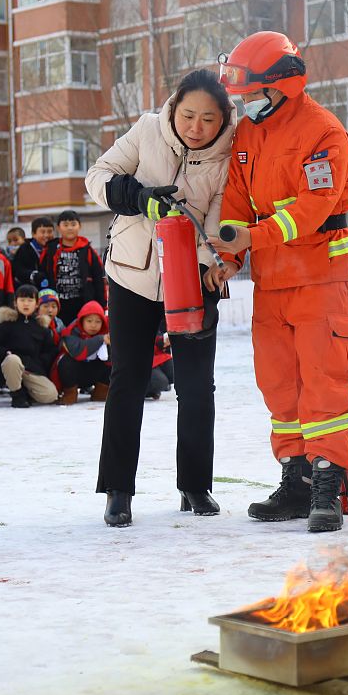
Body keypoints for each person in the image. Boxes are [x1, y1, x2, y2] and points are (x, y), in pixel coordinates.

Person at [209, 31, 348, 533]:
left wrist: (251, 237)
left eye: (251, 93)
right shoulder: (248, 136)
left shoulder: (324, 132)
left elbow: (312, 207)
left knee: (325, 382)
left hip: (323, 276)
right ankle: (295, 480)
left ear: (283, 84)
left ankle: (327, 486)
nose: (244, 104)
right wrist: (230, 257)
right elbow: (236, 199)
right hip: (274, 283)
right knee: (280, 386)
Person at [84, 67, 235, 527]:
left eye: (208, 119)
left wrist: (213, 263)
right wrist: (138, 197)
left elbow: (221, 214)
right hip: (132, 274)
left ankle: (195, 485)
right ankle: (118, 490)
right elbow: (98, 177)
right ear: (175, 108)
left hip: (191, 280)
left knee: (195, 386)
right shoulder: (148, 130)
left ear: (223, 119)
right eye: (189, 115)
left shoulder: (228, 156)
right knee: (127, 379)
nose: (196, 128)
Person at [0, 284, 59, 408]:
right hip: (11, 368)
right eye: (22, 300)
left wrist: (39, 363)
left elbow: (50, 351)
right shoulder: (7, 325)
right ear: (15, 303)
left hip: (31, 370)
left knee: (50, 395)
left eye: (30, 301)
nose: (26, 304)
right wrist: (5, 354)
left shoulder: (41, 328)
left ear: (36, 304)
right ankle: (17, 394)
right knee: (12, 360)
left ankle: (26, 392)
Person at [40, 210, 106, 327]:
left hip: (82, 302)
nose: (69, 228)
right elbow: (43, 272)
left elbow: (99, 279)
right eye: (65, 225)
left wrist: (102, 305)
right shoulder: (51, 249)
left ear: (79, 226)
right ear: (58, 228)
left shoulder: (88, 250)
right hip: (56, 303)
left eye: (73, 224)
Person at [55, 300, 111, 405]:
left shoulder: (107, 333)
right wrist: (100, 339)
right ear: (82, 321)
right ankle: (70, 392)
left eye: (98, 322)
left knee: (113, 361)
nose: (93, 325)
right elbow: (78, 351)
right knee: (66, 362)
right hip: (75, 373)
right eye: (89, 321)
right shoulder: (71, 332)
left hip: (94, 371)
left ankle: (101, 391)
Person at [11, 216, 54, 289]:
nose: (46, 235)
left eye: (49, 232)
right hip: (29, 291)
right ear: (33, 234)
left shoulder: (55, 248)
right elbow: (18, 270)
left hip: (50, 292)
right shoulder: (24, 249)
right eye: (42, 232)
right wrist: (33, 275)